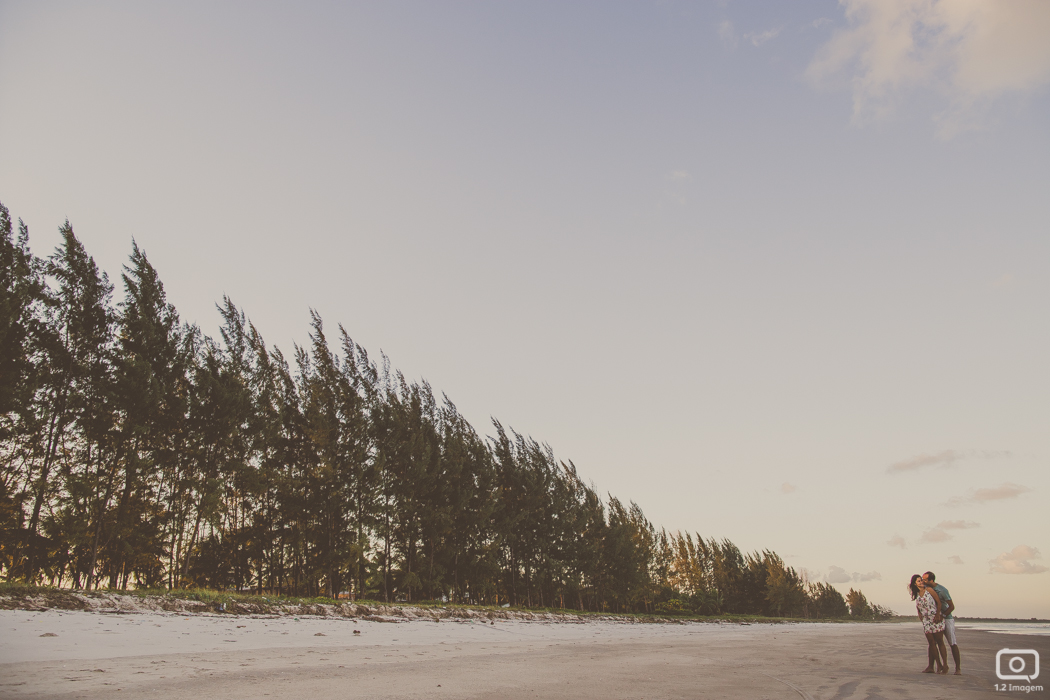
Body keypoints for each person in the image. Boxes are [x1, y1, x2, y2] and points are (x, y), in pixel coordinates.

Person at [909, 573, 948, 674]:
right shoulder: (917, 594)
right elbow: (918, 606)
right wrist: (920, 615)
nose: (921, 582)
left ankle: (945, 665)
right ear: (915, 584)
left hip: (935, 618)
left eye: (921, 580)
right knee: (931, 643)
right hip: (926, 621)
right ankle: (938, 665)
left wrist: (938, 615)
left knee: (940, 641)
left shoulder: (929, 590)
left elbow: (938, 602)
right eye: (919, 581)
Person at [923, 571, 961, 675]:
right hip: (934, 619)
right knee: (932, 642)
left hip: (946, 618)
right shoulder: (926, 589)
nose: (923, 581)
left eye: (925, 580)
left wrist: (942, 616)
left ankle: (958, 668)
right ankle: (931, 666)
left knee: (952, 642)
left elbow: (951, 606)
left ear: (931, 580)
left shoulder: (942, 590)